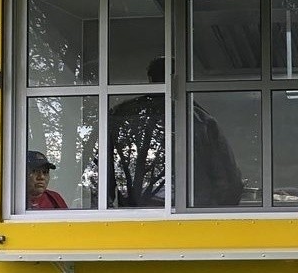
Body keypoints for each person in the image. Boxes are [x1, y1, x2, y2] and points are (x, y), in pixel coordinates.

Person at [94, 58, 243, 208]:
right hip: (193, 215)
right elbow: (229, 181)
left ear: (150, 79)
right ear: (180, 79)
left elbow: (99, 177)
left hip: (135, 217)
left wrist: (108, 213)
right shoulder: (199, 119)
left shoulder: (121, 116)